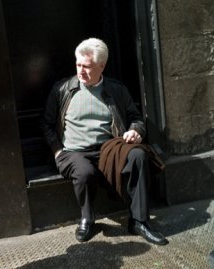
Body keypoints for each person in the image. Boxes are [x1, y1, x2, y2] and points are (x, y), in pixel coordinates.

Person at [40, 37, 168, 246]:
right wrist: (57, 151)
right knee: (84, 172)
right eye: (78, 64)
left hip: (108, 148)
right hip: (73, 151)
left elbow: (136, 118)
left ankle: (139, 221)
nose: (81, 71)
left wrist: (135, 131)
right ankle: (87, 219)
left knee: (138, 155)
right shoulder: (62, 89)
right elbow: (45, 123)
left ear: (102, 66)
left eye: (87, 66)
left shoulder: (117, 89)